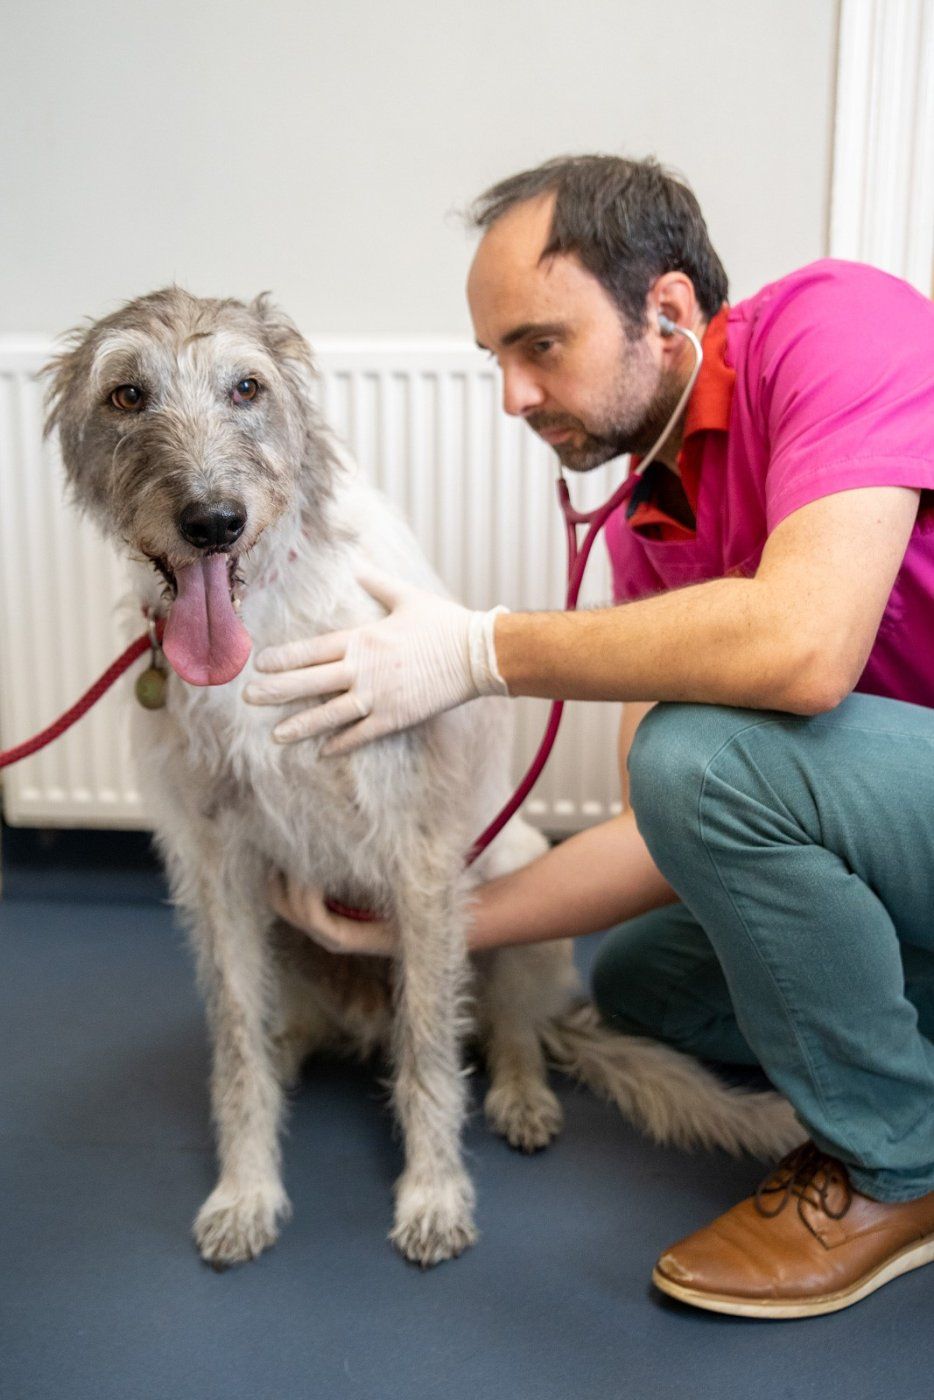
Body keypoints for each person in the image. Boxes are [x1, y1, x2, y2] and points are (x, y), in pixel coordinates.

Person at [243, 155, 934, 1320]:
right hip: (894, 830)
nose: (512, 396)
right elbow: (666, 835)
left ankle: (894, 1165)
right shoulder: (649, 516)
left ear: (665, 311)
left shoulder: (840, 323)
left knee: (696, 753)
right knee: (639, 976)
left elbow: (804, 648)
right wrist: (427, 921)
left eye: (538, 346)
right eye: (495, 362)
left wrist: (479, 650)